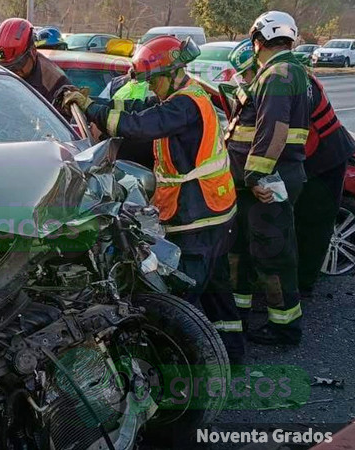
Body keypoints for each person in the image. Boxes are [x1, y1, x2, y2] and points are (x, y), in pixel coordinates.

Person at [63, 36, 246, 362]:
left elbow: (140, 125)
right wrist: (96, 105)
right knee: (217, 290)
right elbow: (137, 109)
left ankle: (187, 359)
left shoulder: (185, 104)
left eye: (154, 80)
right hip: (214, 209)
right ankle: (232, 352)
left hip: (197, 213)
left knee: (184, 292)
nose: (151, 88)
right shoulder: (183, 96)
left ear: (174, 72)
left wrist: (92, 109)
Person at [226, 11, 310, 346]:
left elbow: (273, 129)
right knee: (246, 249)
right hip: (262, 182)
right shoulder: (287, 72)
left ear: (257, 41)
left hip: (267, 181)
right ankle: (240, 316)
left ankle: (284, 328)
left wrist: (256, 176)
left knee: (270, 253)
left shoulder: (278, 73)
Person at [294, 52, 355, 293]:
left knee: (314, 224)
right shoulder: (298, 80)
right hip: (326, 154)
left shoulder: (296, 85)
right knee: (309, 223)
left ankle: (303, 285)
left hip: (326, 160)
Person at [0, 18, 74, 107]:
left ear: (33, 51)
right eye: (7, 67)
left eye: (18, 64)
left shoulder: (55, 83)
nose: (14, 72)